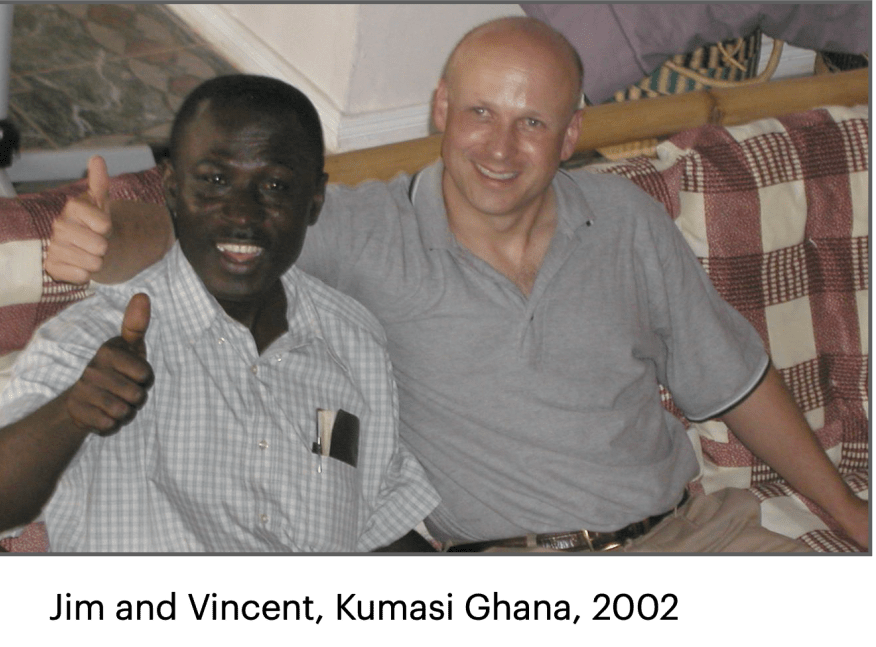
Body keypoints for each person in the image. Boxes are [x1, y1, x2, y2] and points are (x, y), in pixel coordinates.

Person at [43, 17, 868, 551]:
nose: (500, 149)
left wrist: (852, 517)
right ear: (441, 108)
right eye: (479, 113)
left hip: (693, 536)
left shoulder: (624, 220)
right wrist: (114, 233)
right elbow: (226, 233)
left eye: (531, 122)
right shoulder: (366, 233)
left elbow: (736, 382)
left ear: (570, 134)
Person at [0, 75, 440, 552]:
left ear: (314, 200)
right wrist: (71, 413)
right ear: (173, 190)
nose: (242, 214)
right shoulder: (97, 338)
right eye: (215, 181)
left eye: (275, 186)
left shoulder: (353, 342)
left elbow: (376, 529)